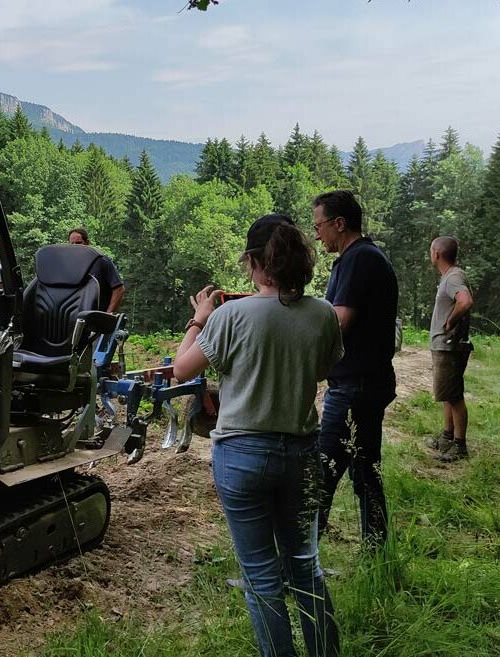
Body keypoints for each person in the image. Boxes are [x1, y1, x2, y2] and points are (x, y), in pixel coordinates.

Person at [173, 214, 342, 657]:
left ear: (253, 262)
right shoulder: (323, 314)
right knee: (306, 568)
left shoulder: (230, 315)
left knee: (262, 577)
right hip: (302, 453)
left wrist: (199, 319)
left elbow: (181, 369)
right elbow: (324, 370)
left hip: (242, 454)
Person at [312, 190, 398, 549]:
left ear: (340, 223)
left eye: (319, 226)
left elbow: (341, 319)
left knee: (320, 476)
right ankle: (377, 553)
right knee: (366, 474)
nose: (317, 234)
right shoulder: (363, 257)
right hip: (366, 383)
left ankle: (296, 567)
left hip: (354, 387)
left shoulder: (359, 259)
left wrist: (301, 321)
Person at [426, 236, 474, 462]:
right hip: (447, 346)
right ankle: (447, 436)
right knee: (447, 394)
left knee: (454, 396)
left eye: (430, 251)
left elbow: (465, 301)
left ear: (436, 254)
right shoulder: (452, 276)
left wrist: (450, 322)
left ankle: (459, 446)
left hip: (449, 346)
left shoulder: (452, 278)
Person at [67, 228, 125, 313]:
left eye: (79, 243)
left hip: (97, 317)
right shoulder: (67, 265)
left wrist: (108, 314)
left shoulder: (101, 261)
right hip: (72, 317)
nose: (76, 246)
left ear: (87, 243)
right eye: (72, 244)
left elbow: (119, 289)